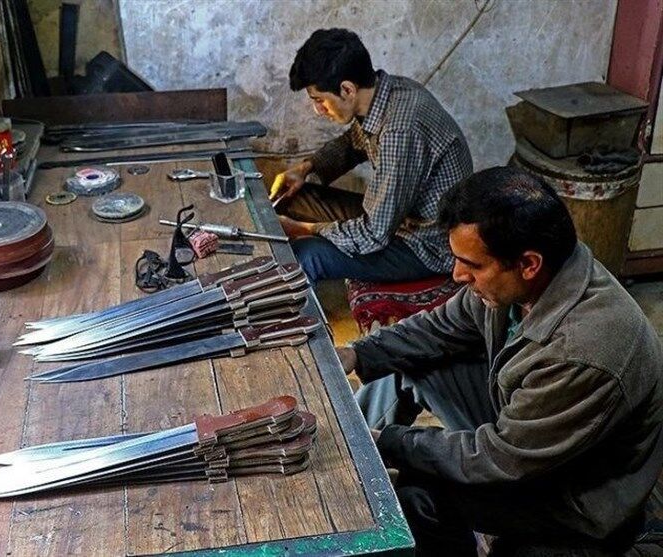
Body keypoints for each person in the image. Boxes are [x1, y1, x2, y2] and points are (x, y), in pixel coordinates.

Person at [336, 166, 663, 556]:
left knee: (419, 497)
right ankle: (348, 463)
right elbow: (438, 328)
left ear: (528, 264)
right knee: (404, 361)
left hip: (572, 497)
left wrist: (391, 443)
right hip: (529, 430)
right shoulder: (526, 280)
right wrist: (357, 353)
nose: (458, 275)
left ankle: (367, 460)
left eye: (472, 265)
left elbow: (502, 457)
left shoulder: (584, 350)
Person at [270, 28, 472, 284]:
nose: (318, 110)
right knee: (293, 196)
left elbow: (374, 233)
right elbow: (353, 143)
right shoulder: (387, 92)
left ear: (347, 89)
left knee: (307, 254)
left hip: (423, 244)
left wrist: (304, 230)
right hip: (397, 218)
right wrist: (305, 168)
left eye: (320, 100)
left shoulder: (400, 129)